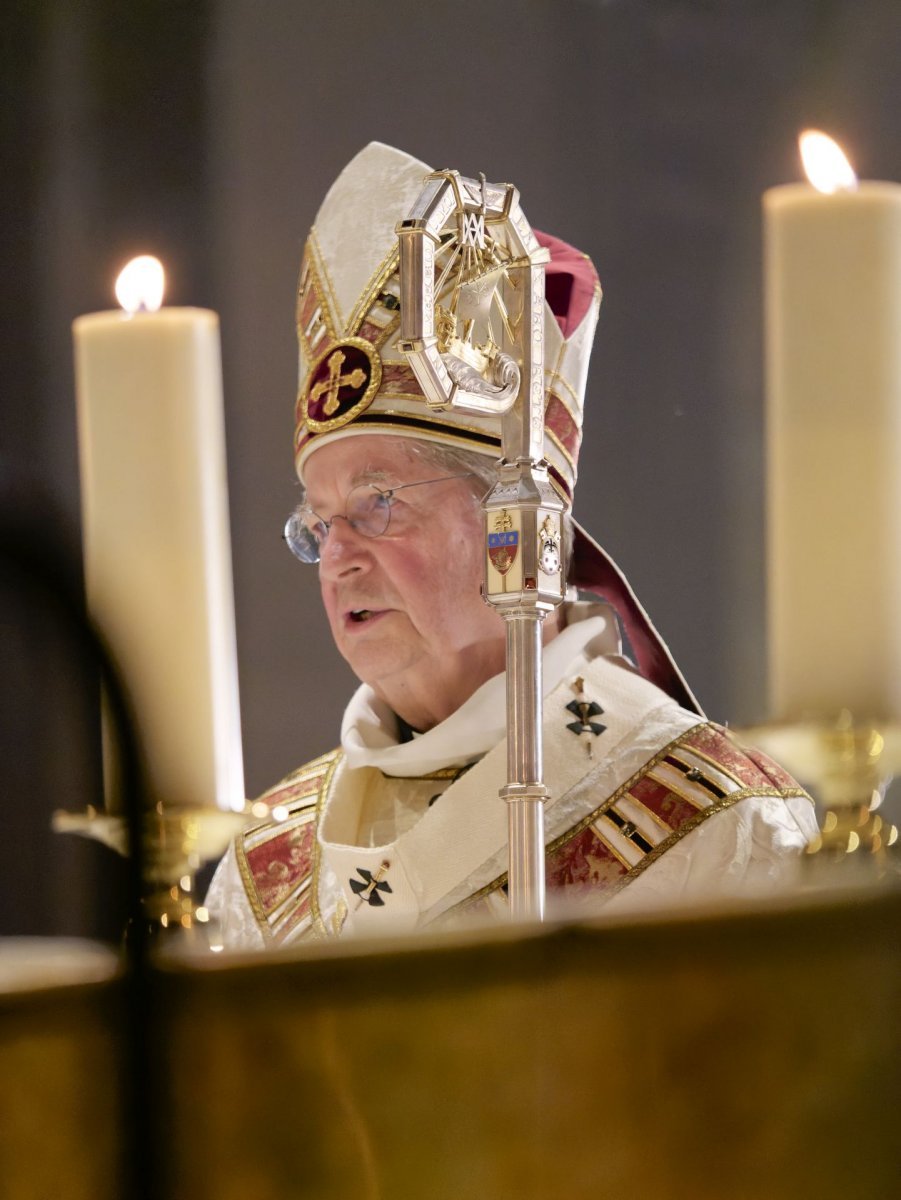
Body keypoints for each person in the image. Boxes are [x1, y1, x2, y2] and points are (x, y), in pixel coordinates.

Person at [206, 142, 816, 950]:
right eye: (319, 523)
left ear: (515, 523)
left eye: (377, 502)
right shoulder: (260, 868)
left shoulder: (716, 822)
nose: (337, 557)